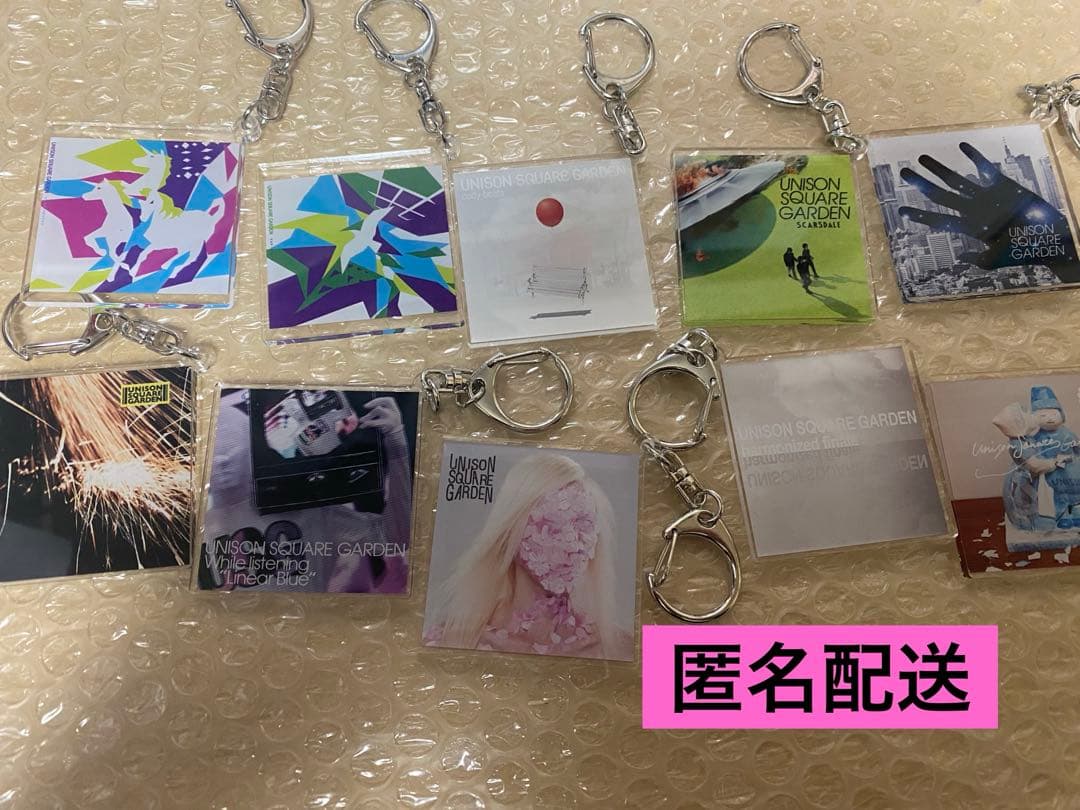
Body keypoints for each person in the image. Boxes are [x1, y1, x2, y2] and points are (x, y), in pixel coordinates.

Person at [424, 453, 632, 660]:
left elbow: (656, 681)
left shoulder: (638, 649)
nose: (573, 545)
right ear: (511, 530)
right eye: (555, 527)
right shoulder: (447, 642)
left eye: (583, 527)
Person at [202, 390, 413, 593]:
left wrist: (396, 445)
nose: (223, 463)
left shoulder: (303, 508)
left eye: (230, 451)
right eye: (218, 455)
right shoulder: (198, 527)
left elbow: (393, 539)